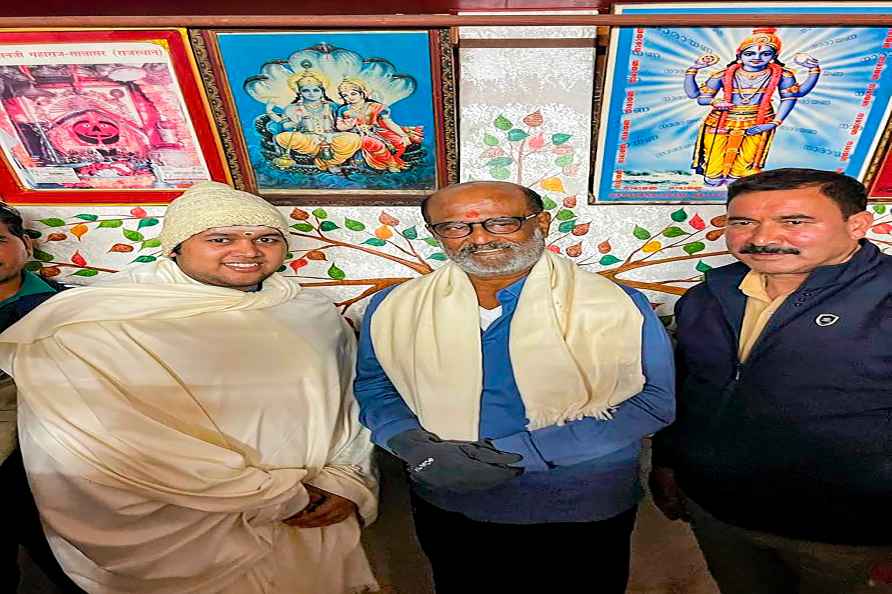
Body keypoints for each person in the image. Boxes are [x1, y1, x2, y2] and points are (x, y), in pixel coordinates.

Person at [0, 181, 378, 594]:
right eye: (221, 238)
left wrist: (346, 477)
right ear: (176, 247)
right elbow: (104, 440)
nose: (249, 251)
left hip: (309, 512)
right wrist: (272, 496)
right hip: (185, 525)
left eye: (267, 238)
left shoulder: (310, 312)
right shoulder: (94, 321)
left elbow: (349, 404)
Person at [354, 180, 675, 593]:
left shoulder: (616, 304)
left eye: (502, 222)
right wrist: (413, 445)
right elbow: (376, 386)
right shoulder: (394, 307)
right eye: (455, 227)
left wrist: (521, 453)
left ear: (540, 223)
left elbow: (654, 403)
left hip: (581, 503)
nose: (480, 238)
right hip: (448, 497)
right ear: (436, 235)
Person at [650, 168, 892, 594]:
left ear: (857, 224)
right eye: (742, 222)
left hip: (846, 529)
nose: (761, 238)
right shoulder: (707, 298)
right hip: (718, 509)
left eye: (794, 221)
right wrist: (669, 463)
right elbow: (689, 391)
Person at [0, 203, 84, 593]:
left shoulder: (74, 310)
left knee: (80, 570)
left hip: (55, 466)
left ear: (27, 246)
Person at [684, 28, 820, 186]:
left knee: (742, 172)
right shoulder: (724, 74)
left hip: (760, 121)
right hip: (720, 121)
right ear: (739, 54)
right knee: (712, 174)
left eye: (765, 54)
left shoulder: (782, 74)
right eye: (750, 53)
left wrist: (813, 70)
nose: (757, 58)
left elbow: (793, 96)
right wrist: (696, 73)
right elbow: (699, 97)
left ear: (774, 56)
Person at [272, 69, 362, 173]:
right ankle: (329, 161)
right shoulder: (292, 108)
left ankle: (326, 162)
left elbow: (343, 123)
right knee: (282, 138)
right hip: (308, 139)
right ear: (300, 92)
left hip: (331, 138)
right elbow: (286, 127)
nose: (311, 94)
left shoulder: (332, 106)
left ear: (322, 91)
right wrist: (294, 123)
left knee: (354, 138)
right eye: (306, 90)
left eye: (315, 90)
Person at [335, 77, 421, 173]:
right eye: (345, 95)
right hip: (354, 135)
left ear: (363, 93)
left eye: (353, 94)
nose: (349, 97)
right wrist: (349, 126)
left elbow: (388, 122)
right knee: (376, 144)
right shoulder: (343, 110)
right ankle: (391, 164)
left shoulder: (376, 107)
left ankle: (390, 161)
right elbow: (339, 127)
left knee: (399, 141)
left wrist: (403, 135)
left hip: (375, 131)